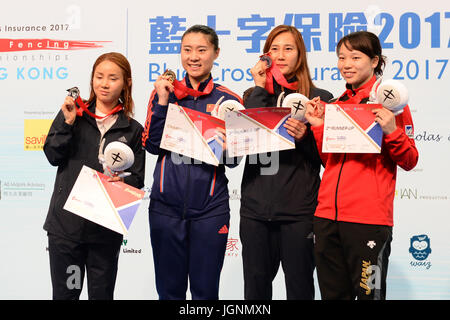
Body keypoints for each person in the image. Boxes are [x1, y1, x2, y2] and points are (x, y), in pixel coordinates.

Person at [305, 31, 418, 300]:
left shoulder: (392, 105)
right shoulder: (336, 104)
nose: (346, 64)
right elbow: (330, 161)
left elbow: (410, 160)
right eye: (342, 57)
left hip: (367, 219)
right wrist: (319, 126)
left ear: (375, 60)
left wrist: (392, 130)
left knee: (370, 296)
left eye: (355, 57)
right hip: (326, 218)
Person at [142, 25, 242, 300]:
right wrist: (163, 101)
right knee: (169, 291)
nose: (193, 57)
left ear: (216, 53)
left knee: (205, 292)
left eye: (201, 50)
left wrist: (227, 145)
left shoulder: (230, 100)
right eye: (187, 50)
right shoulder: (165, 91)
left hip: (210, 210)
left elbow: (233, 161)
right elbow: (151, 145)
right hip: (165, 207)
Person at [239, 25, 333, 300]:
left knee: (300, 287)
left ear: (300, 55)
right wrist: (259, 86)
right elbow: (246, 142)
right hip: (255, 211)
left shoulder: (320, 98)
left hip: (299, 212)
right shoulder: (251, 96)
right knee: (255, 292)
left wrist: (306, 136)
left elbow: (327, 159)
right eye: (274, 49)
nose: (280, 55)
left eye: (288, 48)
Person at [43, 52, 145, 300]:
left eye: (113, 78)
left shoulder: (132, 129)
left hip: (105, 231)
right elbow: (53, 155)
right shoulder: (74, 114)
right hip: (67, 229)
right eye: (99, 77)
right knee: (66, 295)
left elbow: (138, 180)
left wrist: (123, 182)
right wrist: (66, 124)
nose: (104, 83)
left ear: (126, 83)